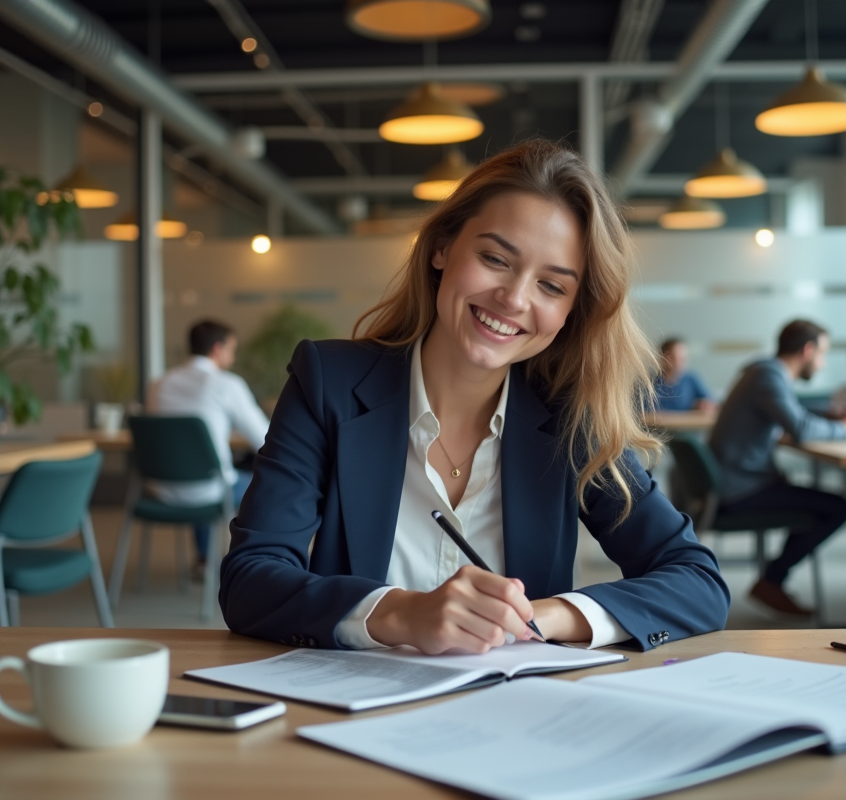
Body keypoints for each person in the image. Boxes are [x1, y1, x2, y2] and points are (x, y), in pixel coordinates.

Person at [220, 140, 729, 654]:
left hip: (515, 716)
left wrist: (545, 616)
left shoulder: (571, 419)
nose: (514, 298)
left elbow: (697, 582)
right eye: (494, 258)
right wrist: (399, 612)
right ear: (442, 247)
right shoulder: (329, 380)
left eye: (552, 287)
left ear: (573, 311)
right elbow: (250, 579)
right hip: (350, 710)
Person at [709, 319, 846, 617]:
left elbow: (794, 414)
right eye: (821, 355)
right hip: (739, 491)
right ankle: (772, 580)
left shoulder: (763, 371)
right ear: (807, 350)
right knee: (837, 507)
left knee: (810, 498)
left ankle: (773, 579)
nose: (821, 365)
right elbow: (802, 428)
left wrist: (830, 415)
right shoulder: (768, 376)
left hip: (737, 482)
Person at [147, 320, 269, 573]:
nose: (233, 357)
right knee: (266, 483)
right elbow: (266, 440)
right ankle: (259, 567)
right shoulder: (226, 384)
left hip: (159, 489)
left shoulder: (158, 385)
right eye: (232, 349)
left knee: (203, 473)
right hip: (210, 492)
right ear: (217, 349)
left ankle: (205, 558)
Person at [653, 338, 715, 412]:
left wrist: (704, 405)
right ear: (663, 357)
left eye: (684, 356)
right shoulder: (649, 380)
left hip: (684, 423)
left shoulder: (691, 379)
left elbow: (709, 401)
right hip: (652, 422)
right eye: (678, 356)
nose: (683, 360)